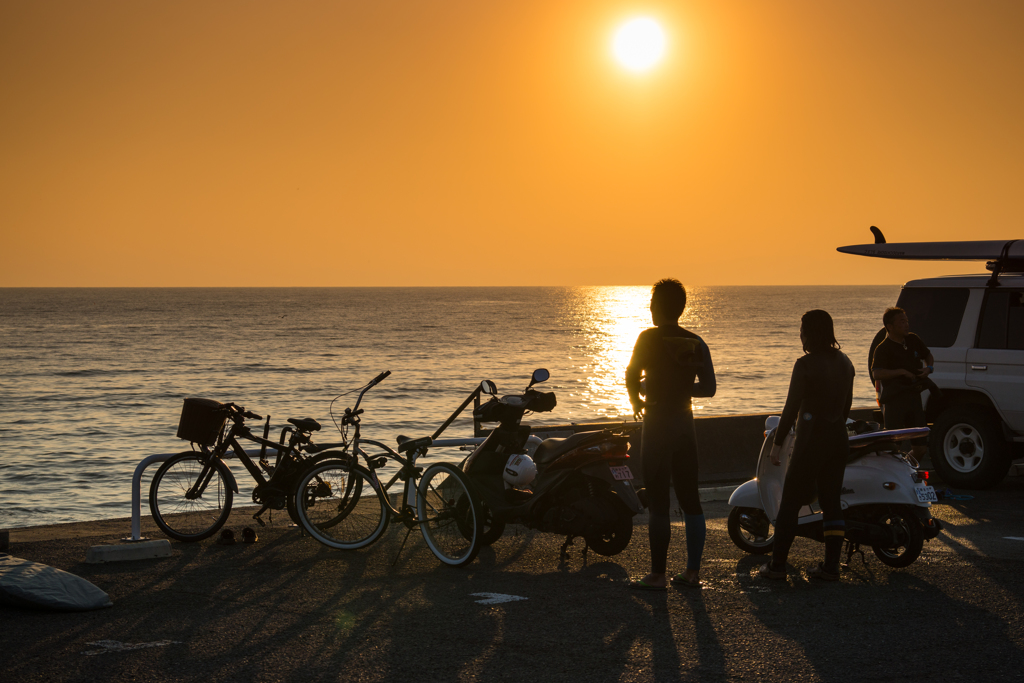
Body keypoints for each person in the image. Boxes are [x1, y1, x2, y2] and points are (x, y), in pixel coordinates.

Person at [625, 278, 716, 590]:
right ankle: (692, 572)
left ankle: (658, 575)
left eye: (652, 304)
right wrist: (681, 388)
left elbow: (631, 374)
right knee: (691, 500)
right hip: (685, 426)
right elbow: (709, 388)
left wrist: (637, 401)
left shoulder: (647, 338)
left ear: (656, 307)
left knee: (659, 502)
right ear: (680, 308)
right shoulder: (696, 341)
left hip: (657, 425)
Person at [760, 309, 855, 582]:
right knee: (831, 502)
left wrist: (777, 444)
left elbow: (791, 408)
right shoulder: (845, 362)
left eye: (802, 329)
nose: (800, 334)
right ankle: (831, 568)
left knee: (790, 502)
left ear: (810, 333)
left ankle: (777, 566)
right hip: (838, 440)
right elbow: (846, 406)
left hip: (811, 441)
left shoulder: (804, 365)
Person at [871, 307, 934, 463]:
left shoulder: (913, 339)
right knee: (893, 448)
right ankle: (892, 473)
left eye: (907, 321)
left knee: (921, 448)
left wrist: (929, 368)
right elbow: (877, 373)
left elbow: (928, 355)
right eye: (902, 322)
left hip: (914, 399)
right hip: (894, 402)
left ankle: (906, 468)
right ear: (890, 326)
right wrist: (901, 372)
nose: (907, 325)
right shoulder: (883, 348)